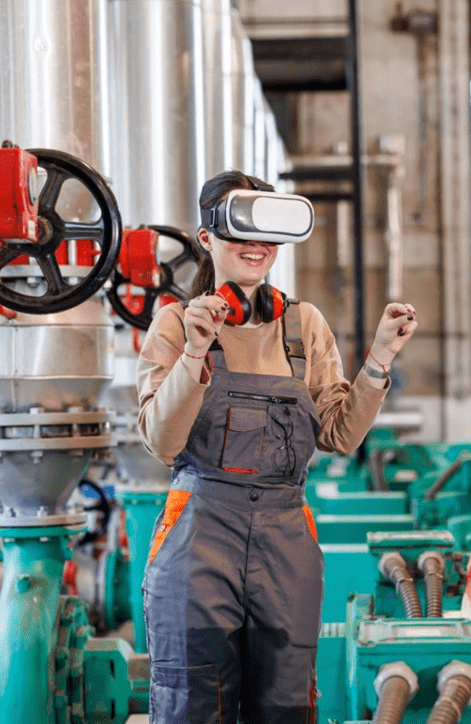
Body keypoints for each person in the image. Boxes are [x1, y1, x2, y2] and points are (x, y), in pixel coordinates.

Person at [137, 169, 418, 723]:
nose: (257, 245)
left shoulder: (303, 326)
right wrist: (195, 353)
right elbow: (163, 443)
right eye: (241, 228)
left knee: (286, 704)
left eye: (268, 230)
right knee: (193, 703)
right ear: (207, 238)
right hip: (200, 534)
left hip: (285, 537)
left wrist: (379, 360)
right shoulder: (174, 323)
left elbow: (338, 434)